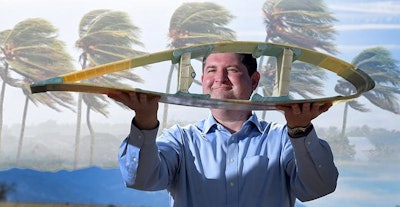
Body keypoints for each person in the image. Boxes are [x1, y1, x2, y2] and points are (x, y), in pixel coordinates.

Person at [108, 53, 338, 207]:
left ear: (254, 80)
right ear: (203, 80)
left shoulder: (283, 139)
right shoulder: (180, 140)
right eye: (211, 70)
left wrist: (300, 130)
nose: (219, 78)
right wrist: (145, 123)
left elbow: (317, 188)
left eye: (231, 69)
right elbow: (141, 180)